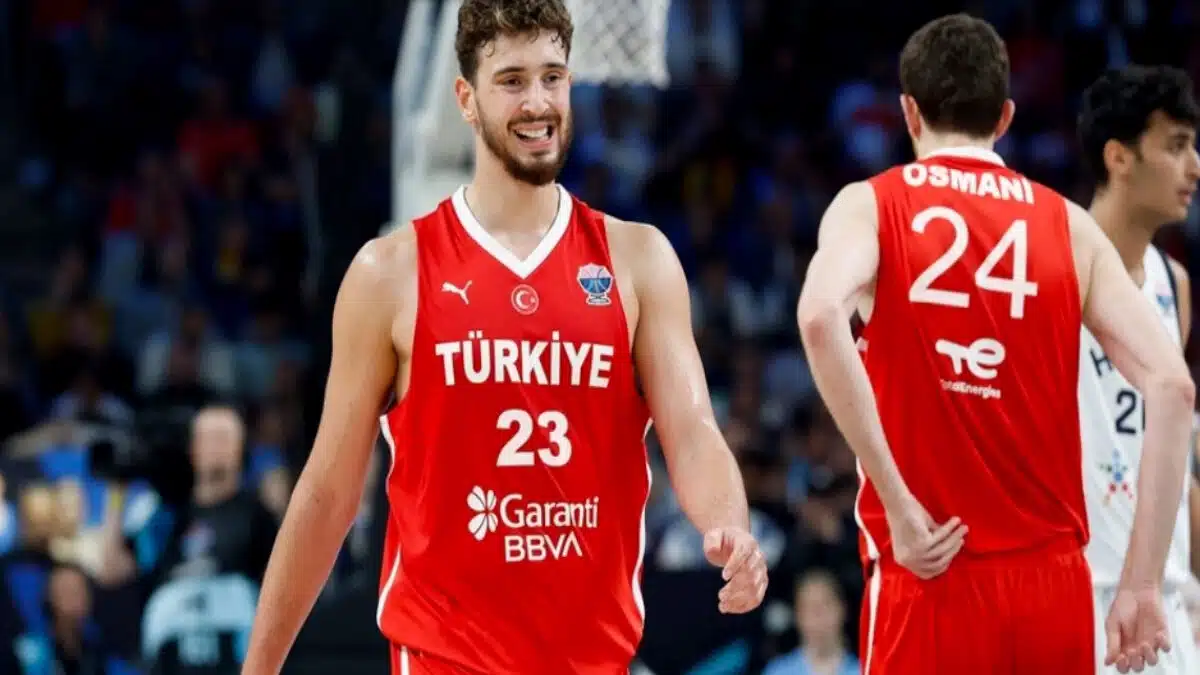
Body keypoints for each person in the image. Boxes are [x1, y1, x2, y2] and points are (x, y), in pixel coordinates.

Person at [240, 1, 768, 673]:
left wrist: (731, 525)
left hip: (593, 659)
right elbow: (327, 493)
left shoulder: (638, 260)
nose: (538, 101)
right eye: (512, 80)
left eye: (552, 76)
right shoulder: (390, 272)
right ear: (465, 99)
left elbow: (692, 431)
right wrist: (259, 667)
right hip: (445, 659)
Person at [797, 13, 1196, 675]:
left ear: (909, 111)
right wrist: (1143, 583)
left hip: (931, 568)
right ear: (1005, 117)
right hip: (1053, 586)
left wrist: (898, 502)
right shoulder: (1067, 224)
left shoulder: (872, 204)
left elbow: (817, 319)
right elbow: (1174, 387)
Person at [1076, 64, 1200, 675]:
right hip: (1078, 596)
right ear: (1119, 157)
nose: (1194, 166)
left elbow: (1181, 462)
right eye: (1175, 146)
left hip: (1164, 601)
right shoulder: (1052, 268)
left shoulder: (1174, 284)